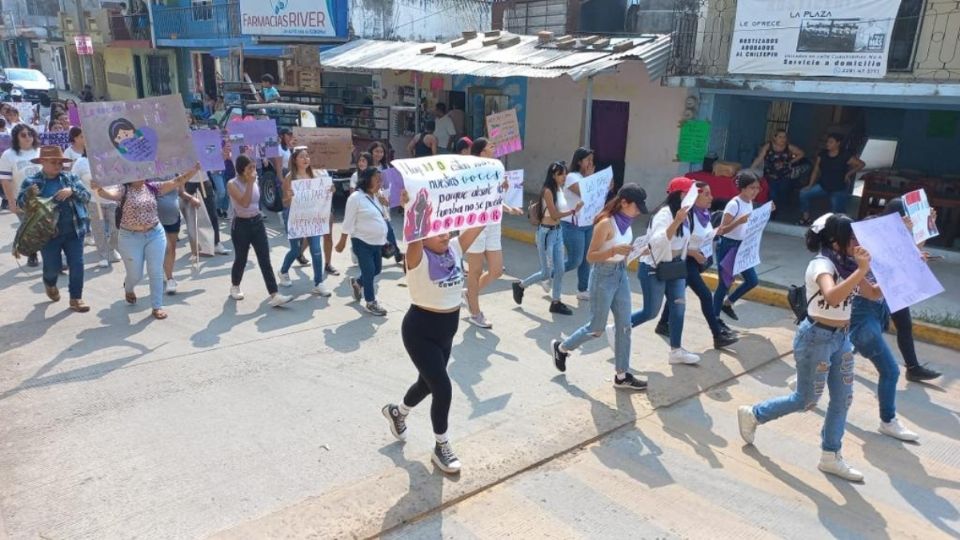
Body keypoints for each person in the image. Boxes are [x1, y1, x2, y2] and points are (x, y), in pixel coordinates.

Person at [738, 213, 869, 482]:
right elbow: (832, 296)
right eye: (851, 237)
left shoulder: (849, 264)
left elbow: (875, 293)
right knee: (806, 399)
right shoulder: (821, 265)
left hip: (841, 338)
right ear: (835, 241)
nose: (856, 241)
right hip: (816, 338)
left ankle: (830, 455)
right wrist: (861, 270)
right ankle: (754, 414)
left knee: (843, 398)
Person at [381, 196, 485, 474]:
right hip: (420, 331)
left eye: (446, 229)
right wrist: (411, 209)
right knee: (443, 387)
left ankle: (397, 412)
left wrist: (493, 197)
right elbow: (414, 233)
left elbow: (479, 223)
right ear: (423, 237)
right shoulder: (417, 256)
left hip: (447, 331)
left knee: (427, 384)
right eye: (436, 231)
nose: (444, 234)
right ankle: (442, 445)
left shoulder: (453, 248)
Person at [550, 184, 650, 390]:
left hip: (620, 273)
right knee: (596, 328)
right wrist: (614, 249)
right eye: (636, 206)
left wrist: (638, 251)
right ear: (623, 203)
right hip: (603, 276)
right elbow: (591, 257)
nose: (638, 211)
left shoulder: (627, 222)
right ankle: (562, 347)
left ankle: (622, 375)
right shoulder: (605, 224)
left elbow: (623, 251)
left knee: (625, 325)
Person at [93, 164, 200, 319]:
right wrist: (99, 189)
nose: (140, 175)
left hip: (155, 234)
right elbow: (110, 195)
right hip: (130, 237)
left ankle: (157, 306)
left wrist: (194, 170)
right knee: (136, 274)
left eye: (142, 172)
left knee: (155, 271)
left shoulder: (152, 187)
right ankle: (129, 287)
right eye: (136, 172)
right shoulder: (123, 190)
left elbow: (177, 181)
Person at [617, 177, 701, 366]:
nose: (694, 198)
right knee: (650, 312)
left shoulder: (687, 214)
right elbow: (658, 242)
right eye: (690, 193)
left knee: (678, 307)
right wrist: (676, 222)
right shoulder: (665, 214)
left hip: (675, 268)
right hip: (654, 269)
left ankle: (676, 350)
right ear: (680, 195)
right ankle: (617, 329)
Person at [654, 182, 739, 349]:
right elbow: (679, 242)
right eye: (706, 194)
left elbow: (706, 236)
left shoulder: (705, 214)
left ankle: (663, 323)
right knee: (706, 296)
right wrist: (694, 253)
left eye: (710, 193)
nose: (711, 197)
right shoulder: (688, 216)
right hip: (687, 262)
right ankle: (717, 335)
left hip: (694, 262)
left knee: (676, 294)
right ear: (695, 197)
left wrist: (723, 230)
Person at [17, 146, 92, 312]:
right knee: (52, 267)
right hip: (47, 235)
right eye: (53, 162)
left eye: (60, 162)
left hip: (74, 231)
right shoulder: (32, 182)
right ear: (42, 162)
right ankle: (49, 283)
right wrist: (28, 195)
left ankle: (76, 298)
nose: (58, 165)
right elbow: (20, 205)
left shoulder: (70, 178)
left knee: (77, 264)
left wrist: (72, 191)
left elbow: (87, 196)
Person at [877, 199, 941, 382]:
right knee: (869, 328)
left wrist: (927, 224)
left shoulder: (900, 230)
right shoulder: (877, 229)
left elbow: (912, 251)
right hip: (876, 287)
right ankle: (838, 356)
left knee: (904, 325)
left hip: (894, 286)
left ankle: (913, 368)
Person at [463, 138, 524, 328]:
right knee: (475, 271)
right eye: (490, 146)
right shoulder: (471, 171)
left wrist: (508, 208)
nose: (494, 147)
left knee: (497, 270)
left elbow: (495, 199)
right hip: (474, 224)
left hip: (493, 223)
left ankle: (469, 295)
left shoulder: (497, 168)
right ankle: (475, 311)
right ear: (481, 152)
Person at [512, 161, 583, 314]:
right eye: (560, 174)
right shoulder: (548, 191)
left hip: (557, 232)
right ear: (553, 175)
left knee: (560, 269)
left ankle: (556, 302)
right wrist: (573, 211)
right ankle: (521, 286)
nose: (564, 177)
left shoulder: (559, 188)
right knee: (546, 272)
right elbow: (555, 214)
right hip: (546, 233)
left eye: (565, 173)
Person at [226, 155, 293, 307]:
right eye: (250, 168)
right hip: (241, 224)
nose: (253, 170)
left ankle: (274, 293)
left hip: (256, 222)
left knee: (264, 258)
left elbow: (255, 202)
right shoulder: (232, 184)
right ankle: (235, 285)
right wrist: (249, 183)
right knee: (241, 258)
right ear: (241, 169)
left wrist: (252, 181)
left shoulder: (255, 180)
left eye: (254, 167)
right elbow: (244, 202)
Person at [278, 147, 332, 297]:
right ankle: (283, 271)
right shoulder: (290, 177)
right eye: (302, 156)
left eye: (307, 156)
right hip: (295, 217)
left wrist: (330, 190)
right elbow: (285, 202)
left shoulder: (315, 175)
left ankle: (318, 283)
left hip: (313, 217)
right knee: (295, 250)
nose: (306, 159)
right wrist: (289, 197)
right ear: (295, 159)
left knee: (316, 249)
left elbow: (322, 194)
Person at [712, 170, 764, 324]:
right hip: (728, 246)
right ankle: (714, 317)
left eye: (757, 188)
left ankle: (728, 303)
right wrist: (738, 221)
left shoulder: (749, 203)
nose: (755, 191)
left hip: (743, 246)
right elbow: (722, 230)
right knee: (724, 284)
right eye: (752, 188)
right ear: (743, 188)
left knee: (752, 280)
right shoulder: (734, 204)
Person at [336, 167, 389, 316]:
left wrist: (385, 203)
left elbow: (382, 218)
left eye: (381, 180)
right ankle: (371, 302)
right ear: (367, 179)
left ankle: (357, 283)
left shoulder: (376, 196)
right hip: (361, 241)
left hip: (377, 243)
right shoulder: (355, 198)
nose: (380, 182)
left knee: (376, 269)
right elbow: (348, 221)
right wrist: (342, 241)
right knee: (369, 270)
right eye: (376, 179)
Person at [67, 127, 122, 268]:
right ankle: (103, 255)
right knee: (99, 229)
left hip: (113, 199)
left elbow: (121, 176)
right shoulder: (81, 162)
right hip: (93, 201)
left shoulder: (113, 159)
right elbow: (72, 180)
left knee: (116, 229)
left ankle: (112, 248)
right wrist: (84, 189)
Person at [560, 147, 604, 301]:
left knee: (586, 259)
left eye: (592, 160)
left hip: (587, 223)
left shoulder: (587, 178)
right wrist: (592, 179)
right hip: (572, 225)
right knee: (574, 260)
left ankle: (583, 289)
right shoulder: (572, 176)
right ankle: (549, 274)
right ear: (579, 161)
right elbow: (586, 193)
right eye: (588, 160)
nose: (591, 163)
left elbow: (598, 196)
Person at [798, 133, 864, 226]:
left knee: (837, 213)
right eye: (827, 142)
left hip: (839, 188)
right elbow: (816, 170)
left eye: (831, 142)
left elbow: (861, 164)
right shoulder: (822, 155)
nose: (827, 144)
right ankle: (806, 218)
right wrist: (810, 184)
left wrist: (848, 174)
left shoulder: (845, 155)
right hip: (823, 186)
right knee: (803, 193)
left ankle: (839, 227)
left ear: (838, 143)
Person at [1, 124, 42, 266]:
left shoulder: (40, 151)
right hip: (22, 199)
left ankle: (53, 258)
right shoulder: (9, 155)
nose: (28, 137)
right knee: (30, 228)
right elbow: (5, 181)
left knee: (48, 227)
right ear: (16, 138)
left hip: (44, 198)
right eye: (23, 135)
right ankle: (32, 253)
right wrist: (11, 202)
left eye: (30, 134)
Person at [751, 129, 805, 214]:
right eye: (780, 137)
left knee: (783, 192)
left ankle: (780, 210)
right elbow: (759, 158)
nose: (783, 139)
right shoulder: (768, 146)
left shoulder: (788, 147)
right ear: (774, 137)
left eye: (784, 137)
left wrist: (790, 162)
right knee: (772, 193)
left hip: (785, 175)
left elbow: (801, 153)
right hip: (770, 175)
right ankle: (772, 212)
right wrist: (751, 170)